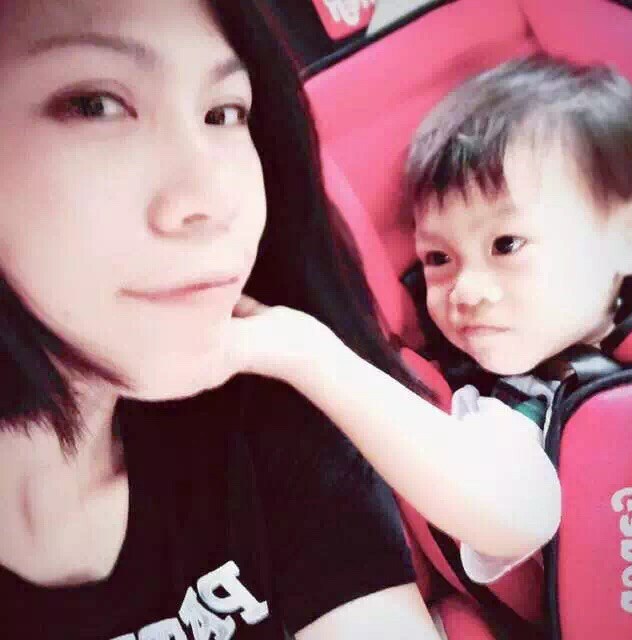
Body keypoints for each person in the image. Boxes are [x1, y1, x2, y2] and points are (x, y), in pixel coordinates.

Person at [0, 2, 560, 638]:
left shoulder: (261, 418)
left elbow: (521, 515)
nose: (214, 198)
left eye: (224, 113)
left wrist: (305, 352)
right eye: (95, 106)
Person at [403, 54, 632, 582]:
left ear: (629, 237)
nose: (465, 290)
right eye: (438, 258)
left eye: (506, 244)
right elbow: (501, 511)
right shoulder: (517, 409)